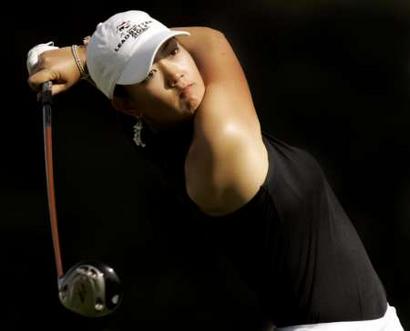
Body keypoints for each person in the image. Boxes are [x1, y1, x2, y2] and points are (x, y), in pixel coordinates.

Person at [27, 10, 404, 330]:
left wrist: (88, 63)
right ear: (127, 105)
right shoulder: (223, 144)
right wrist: (80, 56)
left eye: (171, 50)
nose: (175, 73)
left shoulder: (148, 126)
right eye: (147, 75)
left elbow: (129, 79)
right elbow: (211, 42)